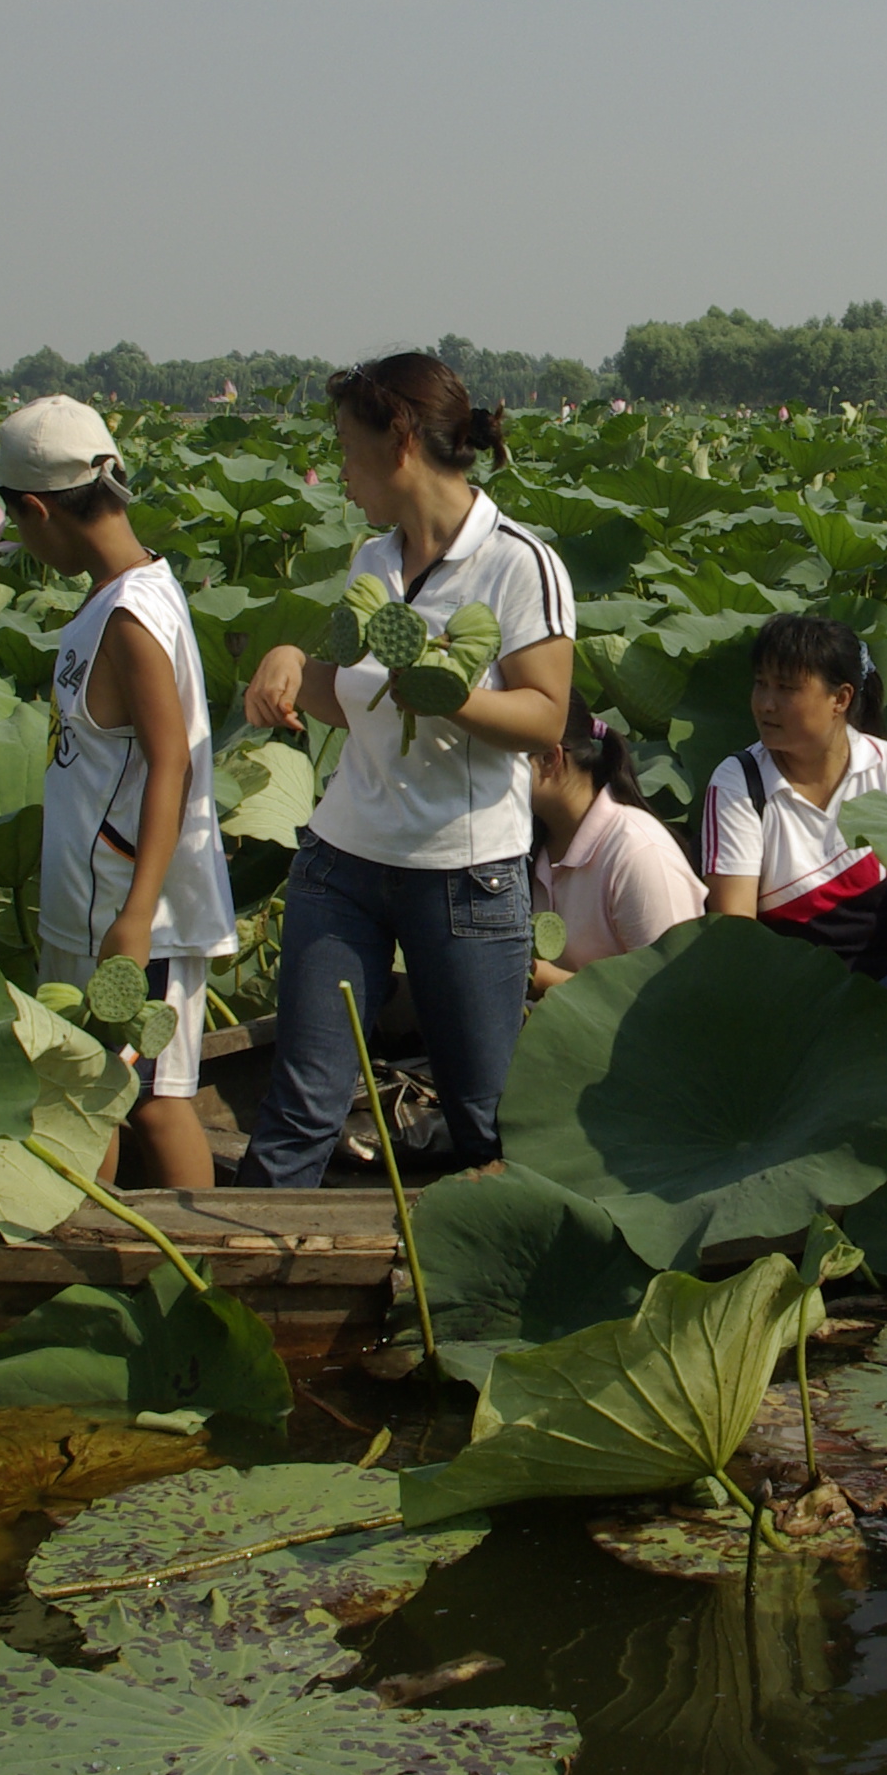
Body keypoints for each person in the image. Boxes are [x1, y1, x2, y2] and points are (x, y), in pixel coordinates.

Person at [237, 353, 577, 1185]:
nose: (343, 478)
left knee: (482, 1113)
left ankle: (489, 1297)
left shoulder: (519, 562)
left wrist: (445, 690)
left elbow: (544, 718)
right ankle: (241, 1293)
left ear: (398, 443)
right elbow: (359, 698)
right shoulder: (371, 563)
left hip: (462, 877)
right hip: (341, 860)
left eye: (348, 456)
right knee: (300, 1105)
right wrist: (287, 664)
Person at [0, 395, 232, 1190]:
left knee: (150, 1101)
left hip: (129, 912)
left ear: (36, 510)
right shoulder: (122, 590)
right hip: (98, 901)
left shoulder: (131, 615)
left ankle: (214, 1271)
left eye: (17, 524)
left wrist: (134, 918)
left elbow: (172, 764)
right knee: (105, 1097)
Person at [698, 612, 887, 1011]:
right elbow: (736, 927)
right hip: (790, 991)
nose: (765, 703)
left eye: (786, 688)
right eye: (761, 684)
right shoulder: (737, 782)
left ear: (841, 698)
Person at [528, 697, 703, 992]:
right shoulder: (526, 844)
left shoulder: (640, 852)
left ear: (550, 759)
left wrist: (544, 980)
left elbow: (674, 995)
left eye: (493, 760)